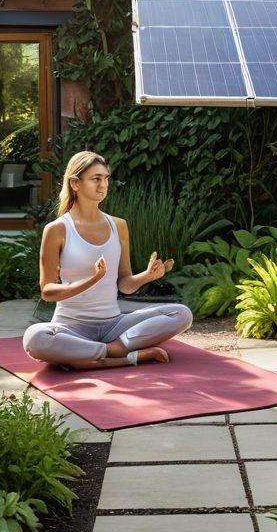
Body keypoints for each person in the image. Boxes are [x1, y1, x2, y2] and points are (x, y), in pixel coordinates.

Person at [23, 151, 192, 369]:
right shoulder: (57, 229)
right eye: (96, 179)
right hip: (71, 327)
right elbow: (47, 291)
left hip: (114, 325)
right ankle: (120, 355)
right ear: (75, 183)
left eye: (106, 178)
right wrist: (92, 279)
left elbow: (125, 284)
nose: (103, 185)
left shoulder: (118, 225)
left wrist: (146, 276)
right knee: (35, 338)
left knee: (181, 313)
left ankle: (92, 357)